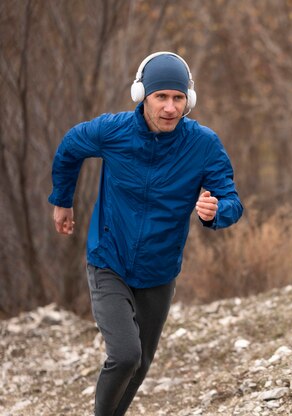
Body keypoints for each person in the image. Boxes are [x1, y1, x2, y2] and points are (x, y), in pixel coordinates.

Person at [48, 51, 243, 415]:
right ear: (142, 95)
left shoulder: (203, 145)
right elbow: (71, 145)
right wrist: (63, 199)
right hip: (110, 258)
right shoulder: (114, 131)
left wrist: (217, 211)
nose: (170, 107)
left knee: (139, 367)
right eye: (161, 97)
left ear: (189, 100)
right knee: (125, 355)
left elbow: (231, 198)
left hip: (159, 270)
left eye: (178, 98)